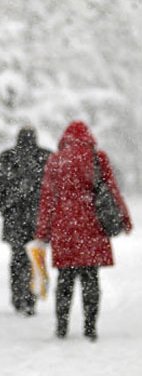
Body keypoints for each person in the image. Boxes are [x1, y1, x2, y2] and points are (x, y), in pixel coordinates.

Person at [35, 120, 132, 341]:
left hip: (64, 226)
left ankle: (61, 327)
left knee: (65, 279)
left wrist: (42, 231)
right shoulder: (98, 158)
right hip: (92, 225)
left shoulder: (56, 160)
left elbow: (48, 199)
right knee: (90, 277)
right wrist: (124, 219)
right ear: (88, 137)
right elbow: (112, 190)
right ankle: (90, 327)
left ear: (65, 138)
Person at [0, 126, 51, 316]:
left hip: (15, 217)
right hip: (38, 218)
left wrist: (6, 209)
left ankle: (18, 296)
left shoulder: (8, 157)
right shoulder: (46, 156)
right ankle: (31, 298)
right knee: (35, 258)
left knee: (17, 258)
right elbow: (54, 190)